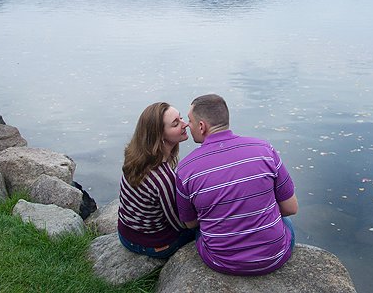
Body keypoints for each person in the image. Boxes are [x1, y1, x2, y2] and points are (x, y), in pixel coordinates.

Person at [175, 93, 298, 275]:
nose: (187, 125)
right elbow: (291, 208)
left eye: (190, 121)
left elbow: (191, 224)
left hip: (221, 261)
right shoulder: (264, 150)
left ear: (202, 126)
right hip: (274, 257)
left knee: (202, 231)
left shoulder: (185, 169)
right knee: (285, 222)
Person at [116, 101, 198, 258]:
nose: (185, 124)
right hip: (151, 244)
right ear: (159, 136)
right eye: (176, 124)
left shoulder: (135, 156)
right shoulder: (162, 177)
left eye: (181, 118)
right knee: (206, 228)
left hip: (126, 232)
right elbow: (181, 223)